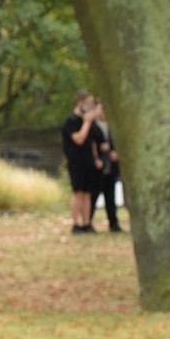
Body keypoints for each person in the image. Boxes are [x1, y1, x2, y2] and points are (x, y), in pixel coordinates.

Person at [62, 92, 103, 234]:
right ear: (80, 102)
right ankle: (76, 224)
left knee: (87, 193)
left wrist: (96, 158)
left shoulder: (90, 122)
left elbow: (95, 141)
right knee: (78, 192)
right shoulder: (71, 121)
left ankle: (87, 223)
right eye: (89, 103)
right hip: (76, 162)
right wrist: (86, 122)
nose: (90, 106)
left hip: (89, 162)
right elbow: (79, 139)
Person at [91, 104, 122, 233]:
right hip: (99, 167)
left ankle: (113, 223)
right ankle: (87, 221)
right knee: (94, 195)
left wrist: (116, 153)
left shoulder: (113, 126)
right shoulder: (92, 126)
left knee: (111, 196)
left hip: (111, 167)